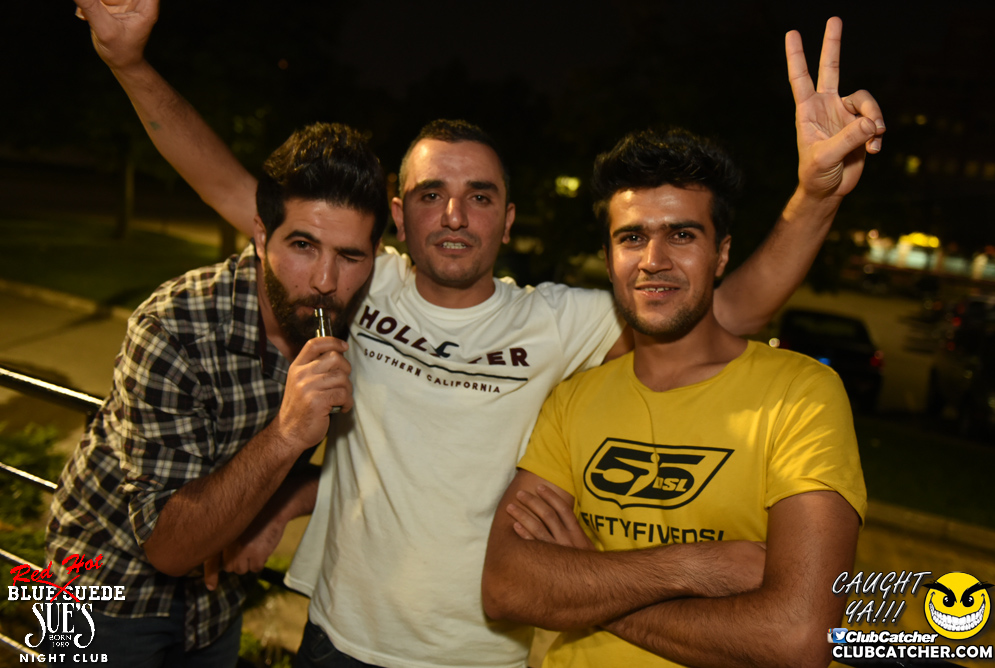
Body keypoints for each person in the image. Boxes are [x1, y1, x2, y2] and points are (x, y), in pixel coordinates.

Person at [72, 2, 884, 666]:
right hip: (339, 641)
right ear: (399, 215)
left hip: (482, 655)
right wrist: (129, 63)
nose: (455, 214)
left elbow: (727, 309)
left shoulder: (559, 320)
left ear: (509, 219)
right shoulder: (359, 278)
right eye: (432, 194)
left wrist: (815, 195)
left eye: (481, 196)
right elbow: (231, 186)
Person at [481, 127, 866, 668]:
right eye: (631, 238)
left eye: (682, 235)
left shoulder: (799, 394)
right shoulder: (573, 399)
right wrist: (695, 568)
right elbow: (504, 586)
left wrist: (587, 586)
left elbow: (799, 639)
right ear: (609, 258)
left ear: (721, 254)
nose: (653, 260)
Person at [45, 121, 389, 667]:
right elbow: (167, 548)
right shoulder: (172, 328)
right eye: (303, 245)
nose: (325, 280)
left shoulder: (356, 317)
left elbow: (382, 467)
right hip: (94, 584)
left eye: (350, 256)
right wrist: (286, 435)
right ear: (261, 236)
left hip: (216, 597)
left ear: (376, 256)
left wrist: (279, 506)